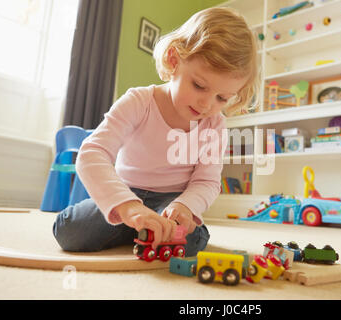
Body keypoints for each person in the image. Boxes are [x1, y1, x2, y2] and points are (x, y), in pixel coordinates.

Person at [53, 7, 259, 257]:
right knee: (70, 232)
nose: (207, 105)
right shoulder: (139, 101)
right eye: (199, 85)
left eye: (222, 97)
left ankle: (145, 230)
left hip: (171, 202)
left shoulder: (214, 124)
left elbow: (206, 181)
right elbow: (92, 153)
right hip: (126, 191)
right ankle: (138, 226)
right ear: (174, 60)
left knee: (192, 240)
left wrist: (185, 205)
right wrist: (128, 208)